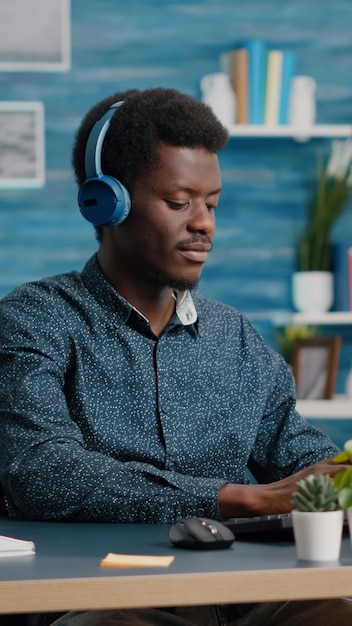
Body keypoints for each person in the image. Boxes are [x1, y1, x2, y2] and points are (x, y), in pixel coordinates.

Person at [0, 87, 351, 626]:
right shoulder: (35, 319)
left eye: (211, 204)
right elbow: (44, 472)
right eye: (179, 202)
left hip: (243, 598)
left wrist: (340, 479)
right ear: (106, 201)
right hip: (107, 597)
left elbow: (303, 464)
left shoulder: (234, 337)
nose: (204, 224)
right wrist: (239, 499)